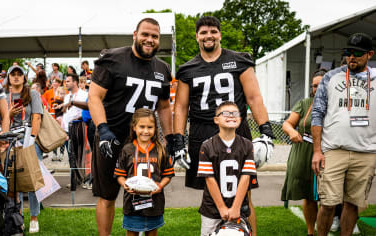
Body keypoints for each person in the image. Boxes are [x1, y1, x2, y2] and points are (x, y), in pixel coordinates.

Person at [172, 16, 274, 236]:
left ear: (220, 34)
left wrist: (266, 131)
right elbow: (180, 108)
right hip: (202, 132)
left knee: (244, 195)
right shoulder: (187, 69)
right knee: (209, 192)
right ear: (197, 36)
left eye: (213, 31)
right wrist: (178, 140)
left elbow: (254, 98)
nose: (209, 36)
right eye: (203, 32)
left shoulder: (239, 61)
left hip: (235, 131)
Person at [88, 17, 173, 236]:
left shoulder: (162, 68)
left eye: (155, 36)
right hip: (112, 137)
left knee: (146, 192)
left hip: (143, 142)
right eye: (145, 34)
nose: (149, 39)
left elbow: (164, 107)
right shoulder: (113, 59)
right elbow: (94, 97)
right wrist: (103, 129)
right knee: (107, 195)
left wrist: (171, 138)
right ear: (135, 34)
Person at [311, 32, 376, 236]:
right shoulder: (331, 77)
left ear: (370, 54)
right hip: (334, 150)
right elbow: (317, 113)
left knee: (353, 203)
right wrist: (317, 151)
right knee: (328, 203)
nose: (352, 57)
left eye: (357, 53)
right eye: (348, 53)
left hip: (366, 152)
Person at [197, 101, 256, 236]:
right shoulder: (207, 146)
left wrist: (235, 208)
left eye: (235, 113)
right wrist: (222, 208)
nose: (231, 116)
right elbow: (209, 179)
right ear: (216, 120)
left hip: (239, 206)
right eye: (225, 113)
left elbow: (245, 178)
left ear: (240, 119)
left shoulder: (247, 145)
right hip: (212, 208)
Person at [280, 69, 326, 236]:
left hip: (328, 151)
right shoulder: (305, 103)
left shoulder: (336, 103)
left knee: (329, 196)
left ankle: (329, 226)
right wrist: (291, 131)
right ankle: (310, 232)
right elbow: (287, 124)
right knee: (309, 194)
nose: (317, 88)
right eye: (314, 86)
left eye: (321, 85)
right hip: (304, 150)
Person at [115, 108, 174, 236]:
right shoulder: (127, 149)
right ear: (134, 127)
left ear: (155, 128)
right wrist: (125, 184)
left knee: (152, 233)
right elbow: (120, 174)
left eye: (150, 127)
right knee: (131, 233)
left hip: (154, 202)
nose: (146, 131)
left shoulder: (161, 150)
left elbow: (168, 175)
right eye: (142, 126)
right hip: (132, 202)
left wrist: (160, 186)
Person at [5, 65, 43, 233]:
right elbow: (2, 118)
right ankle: (18, 217)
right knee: (15, 182)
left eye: (19, 74)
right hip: (10, 140)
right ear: (8, 78)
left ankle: (34, 217)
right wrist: (10, 114)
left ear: (24, 77)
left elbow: (37, 117)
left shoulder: (33, 94)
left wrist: (32, 140)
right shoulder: (5, 96)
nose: (16, 77)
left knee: (33, 180)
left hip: (29, 139)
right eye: (12, 74)